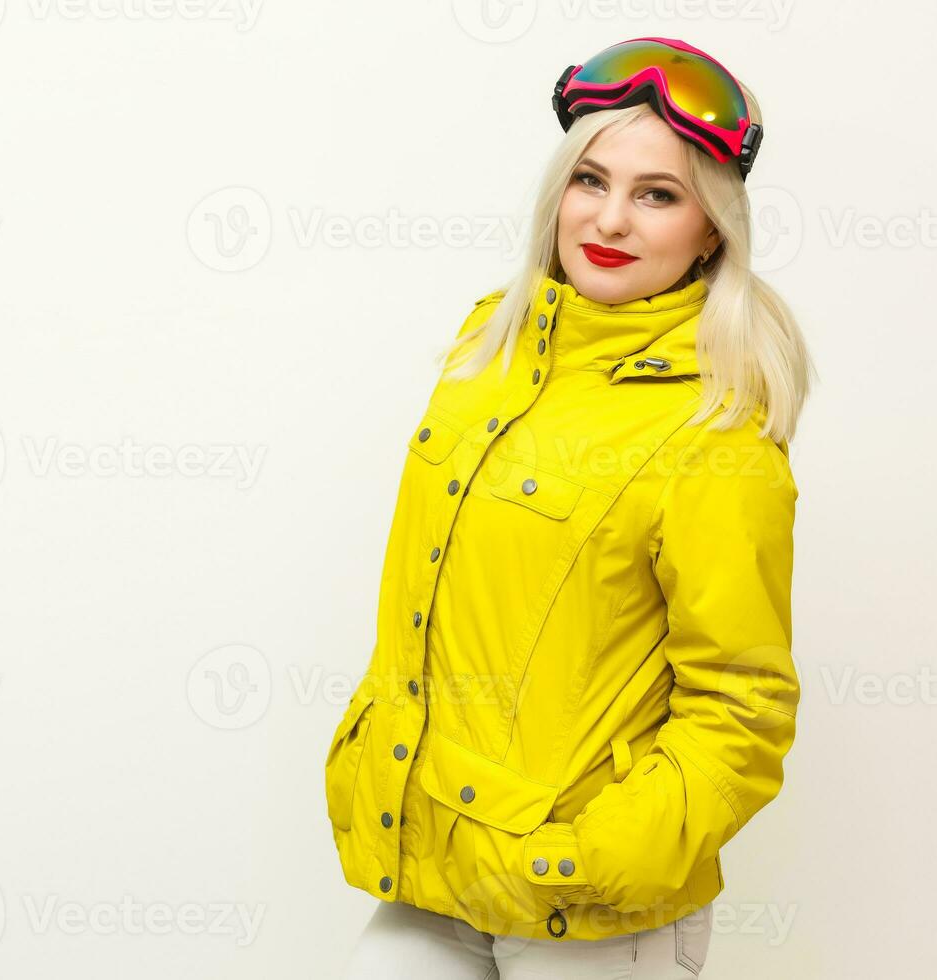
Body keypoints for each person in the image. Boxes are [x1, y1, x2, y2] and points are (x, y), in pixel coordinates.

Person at [323, 37, 815, 978]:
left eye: (658, 194)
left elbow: (743, 707)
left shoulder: (716, 433)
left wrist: (591, 859)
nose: (611, 218)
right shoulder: (488, 348)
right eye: (591, 180)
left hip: (593, 914)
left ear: (712, 229)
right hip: (435, 865)